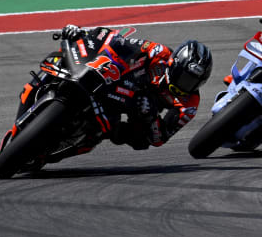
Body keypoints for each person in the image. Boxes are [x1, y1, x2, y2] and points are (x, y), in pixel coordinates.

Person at [58, 24, 213, 152]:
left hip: (139, 110)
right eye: (186, 78)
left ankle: (87, 136)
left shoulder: (189, 104)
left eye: (194, 82)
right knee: (82, 49)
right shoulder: (159, 53)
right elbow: (119, 42)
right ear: (175, 65)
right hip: (121, 82)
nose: (187, 85)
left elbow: (159, 139)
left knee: (140, 142)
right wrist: (84, 34)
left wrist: (151, 117)